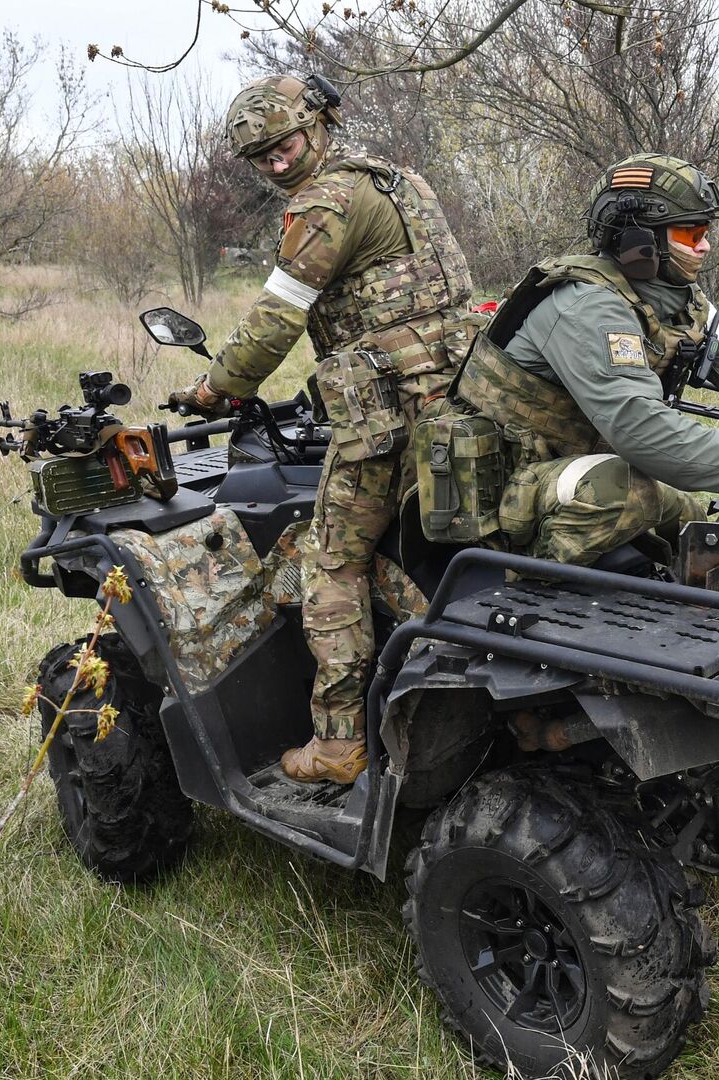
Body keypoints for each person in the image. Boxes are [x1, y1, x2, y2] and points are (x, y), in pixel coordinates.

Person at [166, 74, 477, 785]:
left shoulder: (326, 202)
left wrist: (216, 388)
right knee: (426, 545)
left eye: (286, 145)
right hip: (458, 399)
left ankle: (338, 742)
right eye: (262, 157)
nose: (277, 164)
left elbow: (277, 318)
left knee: (331, 559)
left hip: (387, 415)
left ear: (320, 125)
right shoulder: (403, 183)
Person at [454, 153, 719, 568]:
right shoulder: (588, 306)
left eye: (705, 231)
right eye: (691, 235)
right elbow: (640, 425)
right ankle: (524, 587)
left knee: (695, 525)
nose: (705, 245)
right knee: (633, 490)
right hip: (504, 484)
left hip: (570, 467)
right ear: (641, 242)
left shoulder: (673, 299)